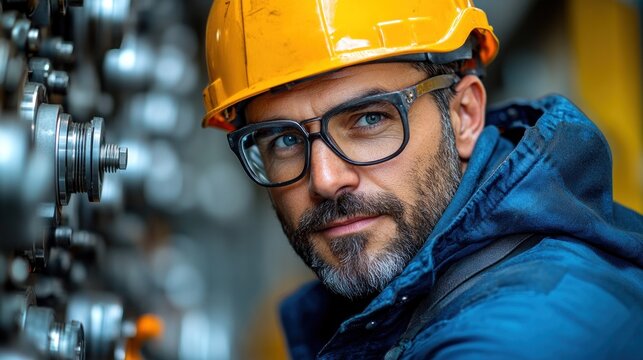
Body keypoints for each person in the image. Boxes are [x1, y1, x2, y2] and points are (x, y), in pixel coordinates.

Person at [201, 1, 643, 358]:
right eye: (282, 140)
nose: (326, 179)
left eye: (370, 119)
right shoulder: (395, 305)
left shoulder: (512, 341)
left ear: (464, 115)